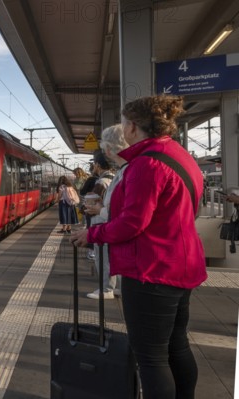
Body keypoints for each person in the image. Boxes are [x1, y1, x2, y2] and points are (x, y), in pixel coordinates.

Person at [70, 95, 206, 399]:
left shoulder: (146, 165)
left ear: (132, 126)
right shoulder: (179, 155)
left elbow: (133, 223)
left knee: (151, 358)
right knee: (176, 346)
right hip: (180, 264)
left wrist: (91, 235)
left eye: (123, 121)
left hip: (151, 269)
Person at [83, 125, 129, 300]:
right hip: (109, 225)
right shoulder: (119, 173)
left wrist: (98, 209)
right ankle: (115, 288)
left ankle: (107, 289)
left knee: (104, 260)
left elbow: (122, 213)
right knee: (111, 257)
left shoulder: (115, 175)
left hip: (105, 225)